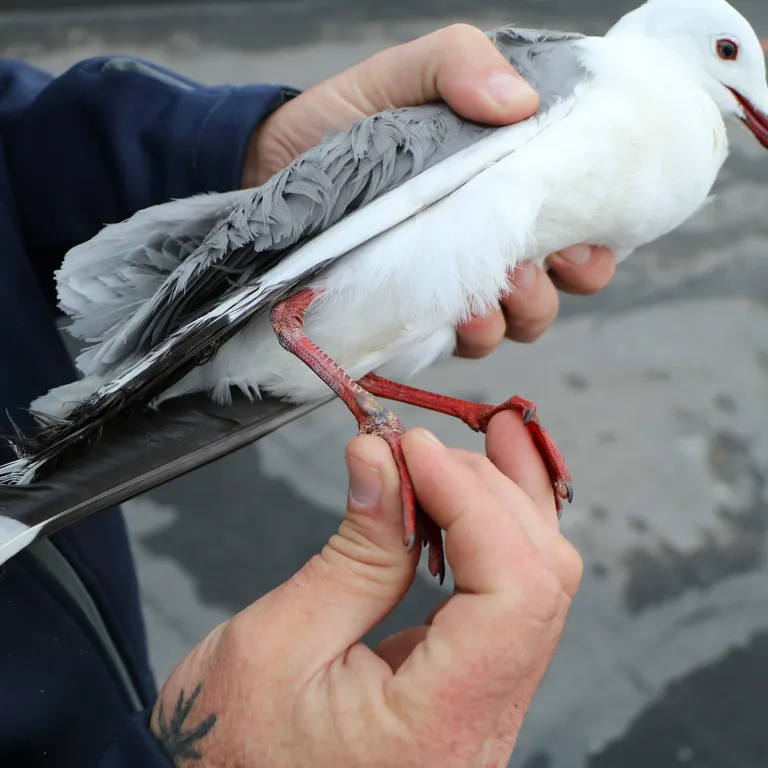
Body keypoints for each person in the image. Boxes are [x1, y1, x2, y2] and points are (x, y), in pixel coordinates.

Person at [0, 23, 615, 768]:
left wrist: (254, 160)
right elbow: (285, 313)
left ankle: (35, 497)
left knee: (374, 323)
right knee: (325, 327)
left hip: (81, 636)